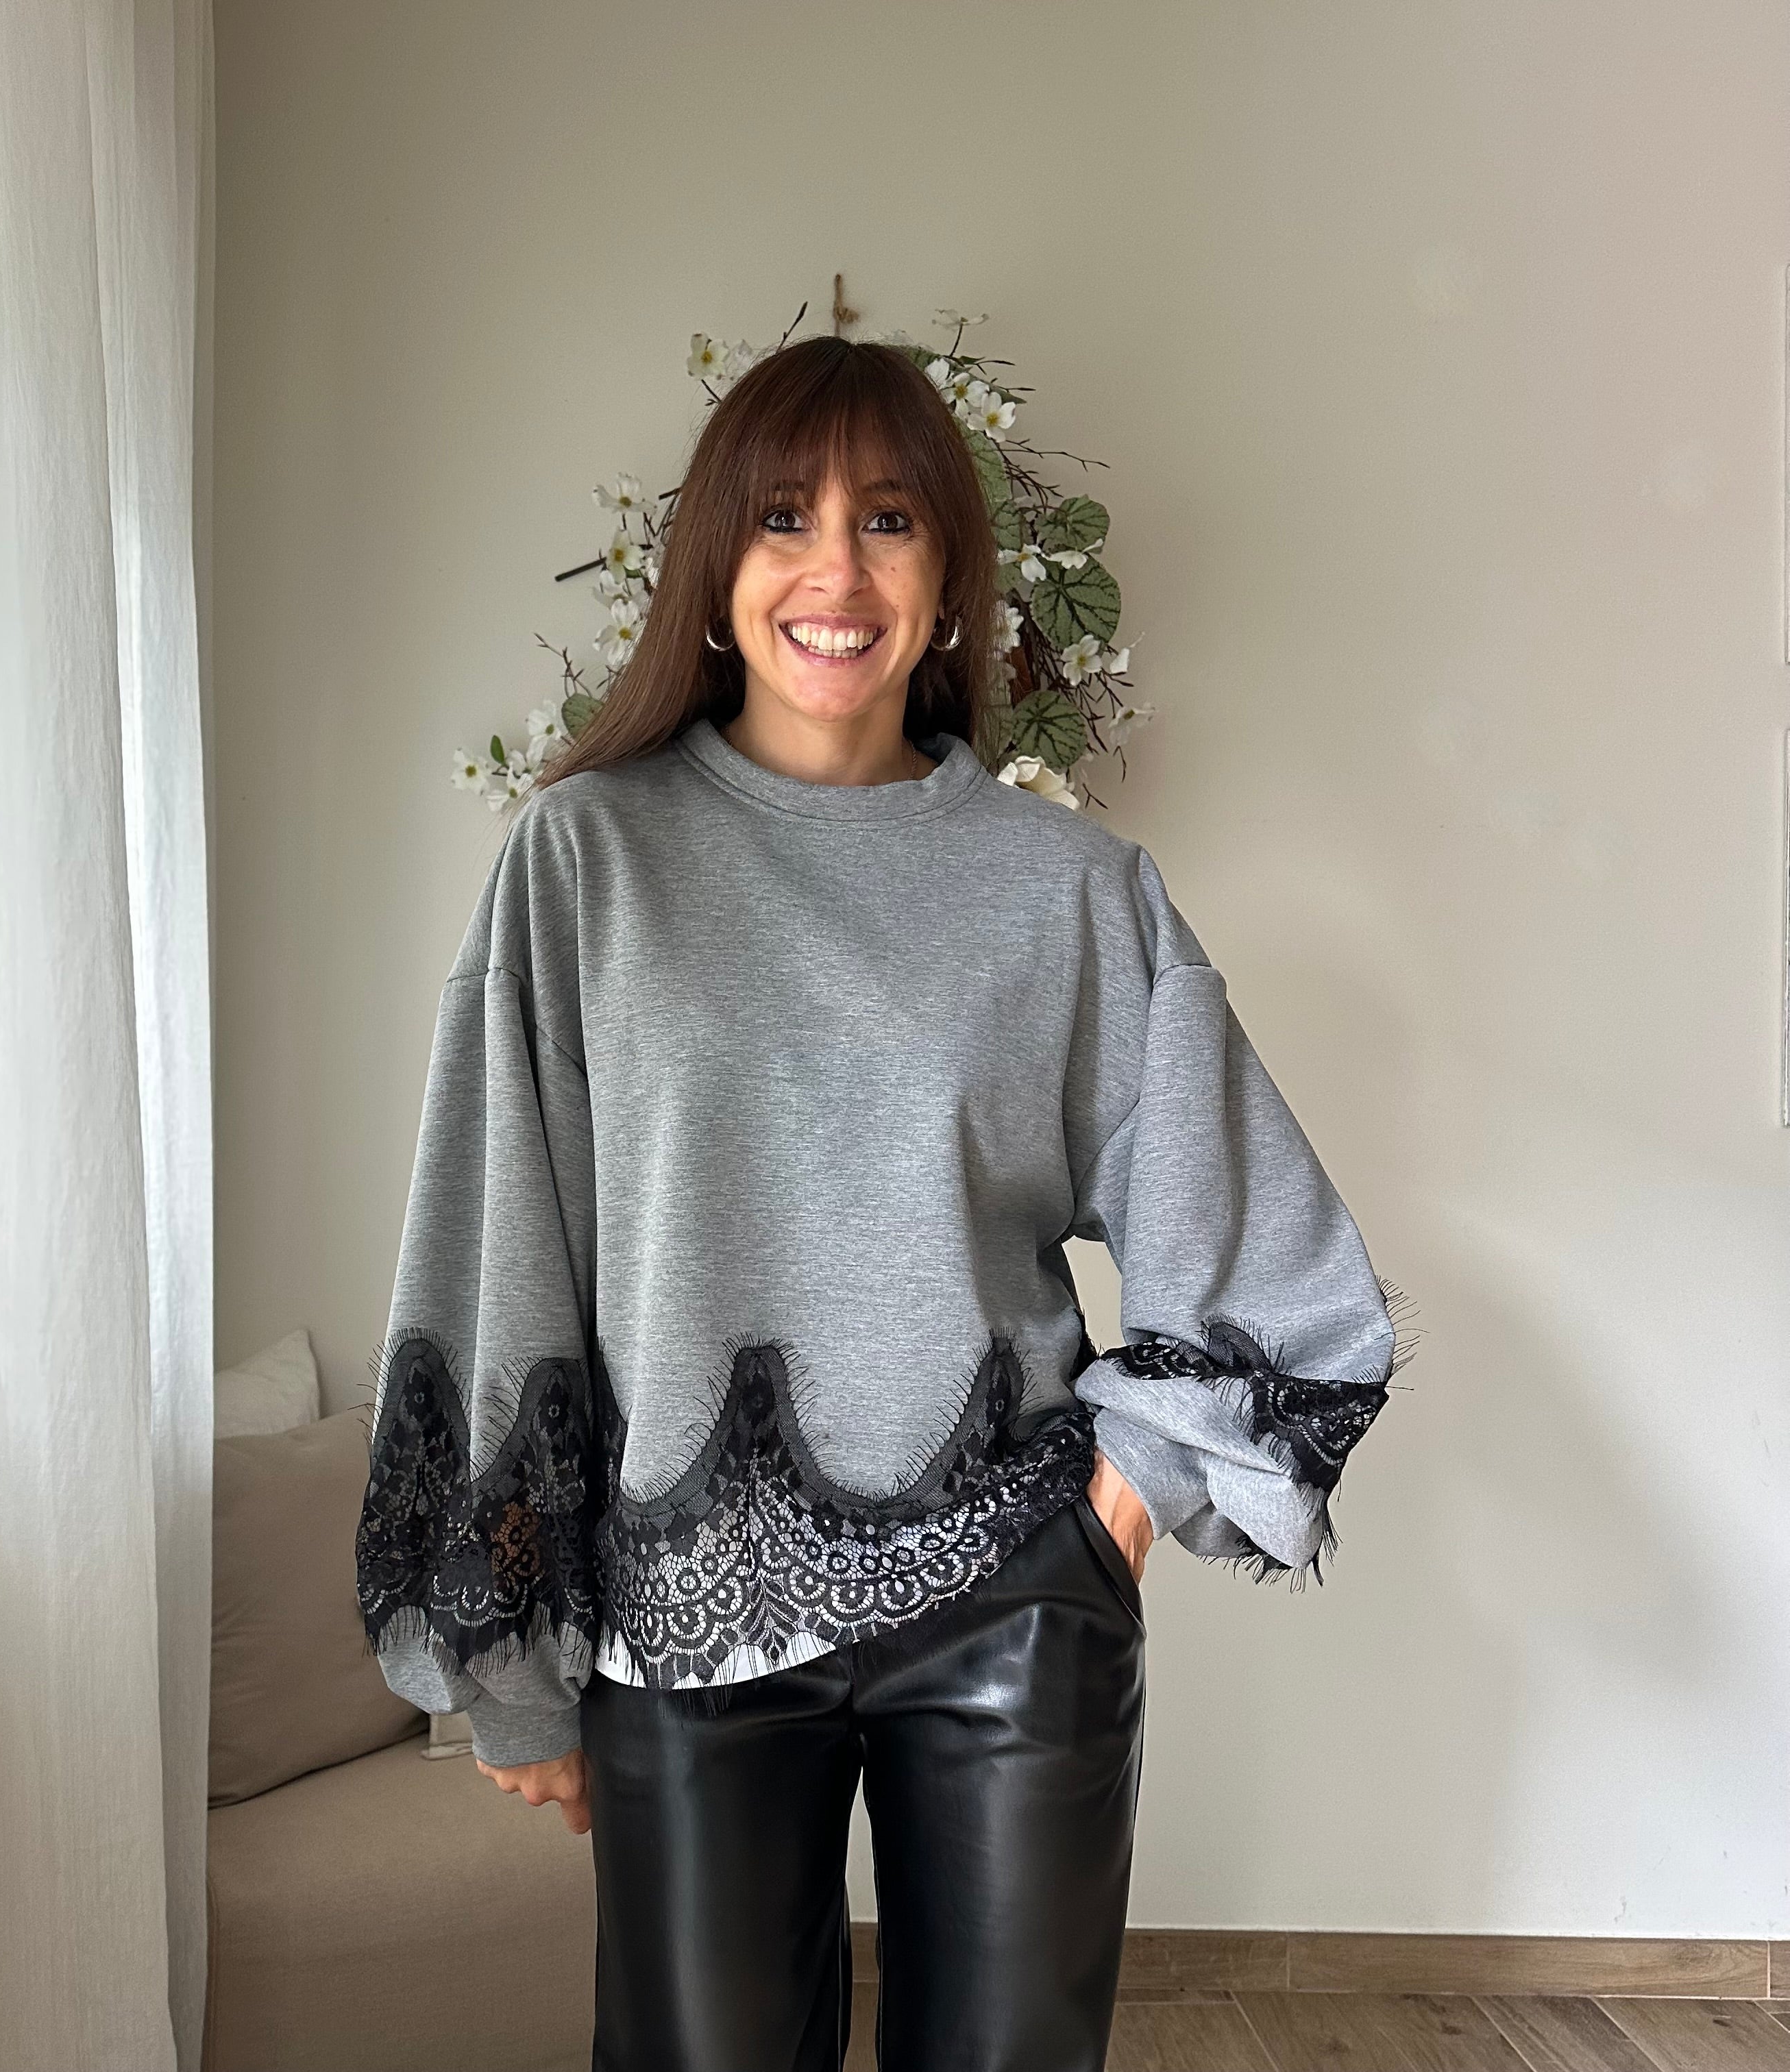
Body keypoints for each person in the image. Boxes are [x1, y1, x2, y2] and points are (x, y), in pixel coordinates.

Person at [354, 335, 1411, 2071]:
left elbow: (1251, 1241)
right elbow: (502, 1248)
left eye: (890, 520)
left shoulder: (1071, 890)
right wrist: (517, 1664)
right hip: (684, 1605)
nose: (835, 569)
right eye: (784, 517)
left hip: (1012, 1600)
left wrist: (1117, 1514)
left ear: (949, 581)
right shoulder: (586, 861)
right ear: (716, 565)